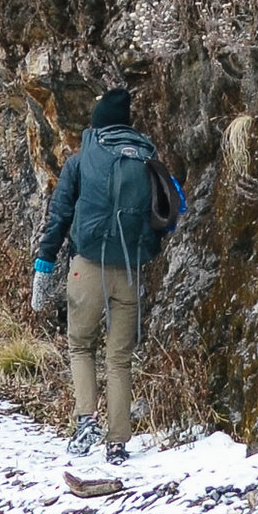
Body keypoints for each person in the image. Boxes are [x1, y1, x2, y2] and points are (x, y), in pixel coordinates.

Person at [32, 80, 184, 468]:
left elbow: (60, 216)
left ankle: (86, 423)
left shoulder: (81, 161)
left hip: (88, 267)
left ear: (97, 124)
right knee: (119, 359)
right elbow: (173, 205)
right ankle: (117, 443)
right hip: (131, 270)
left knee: (81, 346)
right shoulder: (146, 156)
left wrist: (44, 263)